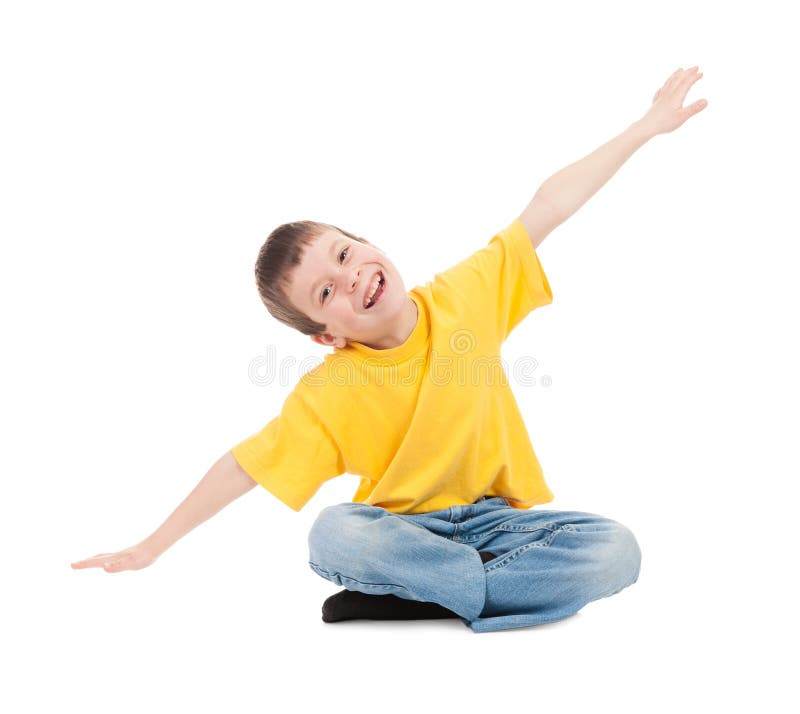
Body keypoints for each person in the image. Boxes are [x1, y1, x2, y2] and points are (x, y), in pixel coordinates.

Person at [72, 67, 707, 633]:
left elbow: (547, 206)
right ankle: (470, 589)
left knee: (616, 549)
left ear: (368, 243)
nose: (349, 277)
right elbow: (243, 467)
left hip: (498, 526)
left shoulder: (467, 295)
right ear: (328, 334)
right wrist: (152, 545)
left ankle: (432, 598)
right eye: (327, 291)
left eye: (344, 254)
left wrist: (647, 126)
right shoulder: (330, 390)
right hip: (402, 534)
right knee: (333, 533)